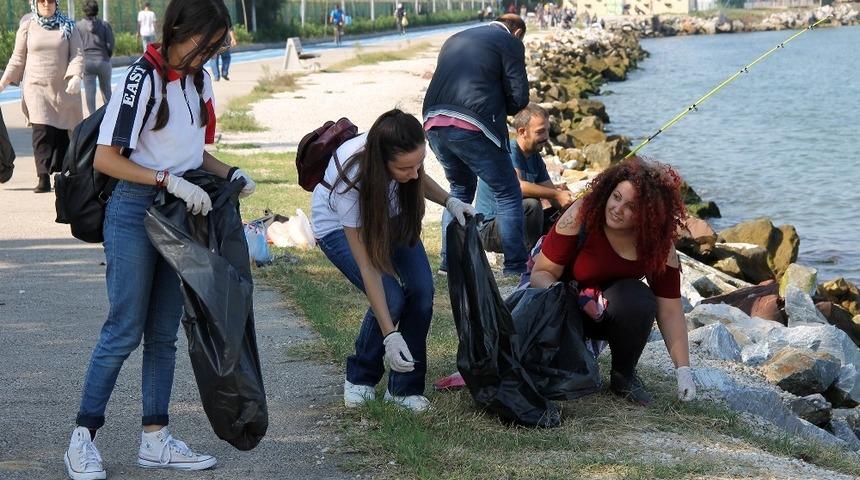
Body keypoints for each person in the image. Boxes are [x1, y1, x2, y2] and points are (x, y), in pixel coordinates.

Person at [62, 1, 256, 479]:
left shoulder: (198, 80)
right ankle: (82, 437)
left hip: (176, 217)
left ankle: (155, 438)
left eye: (217, 46)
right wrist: (169, 180)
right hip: (134, 210)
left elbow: (190, 151)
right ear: (178, 31)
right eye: (205, 43)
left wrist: (227, 171)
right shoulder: (142, 78)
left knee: (164, 334)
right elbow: (107, 158)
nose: (210, 53)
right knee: (124, 328)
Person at [311, 109, 474, 413]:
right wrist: (390, 336)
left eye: (419, 164)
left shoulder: (404, 162)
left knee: (422, 292)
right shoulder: (352, 180)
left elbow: (416, 174)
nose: (414, 175)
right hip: (338, 228)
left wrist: (450, 201)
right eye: (404, 169)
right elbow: (368, 267)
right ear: (381, 163)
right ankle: (360, 378)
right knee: (391, 298)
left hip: (391, 217)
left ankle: (402, 390)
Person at [529, 157, 697, 407]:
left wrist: (683, 371)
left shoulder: (657, 245)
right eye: (616, 197)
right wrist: (558, 300)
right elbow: (540, 274)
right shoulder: (581, 214)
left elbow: (671, 309)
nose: (618, 209)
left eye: (631, 207)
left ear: (648, 215)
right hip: (559, 301)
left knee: (640, 299)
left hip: (603, 310)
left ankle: (624, 377)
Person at [423, 14, 529, 276]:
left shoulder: (456, 38)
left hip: (433, 119)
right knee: (507, 192)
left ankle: (449, 263)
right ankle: (515, 265)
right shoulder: (510, 42)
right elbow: (519, 97)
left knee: (459, 189)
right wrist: (503, 104)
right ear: (517, 33)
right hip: (473, 122)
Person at [0, 0, 84, 193]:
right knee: (41, 131)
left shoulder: (69, 26)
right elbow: (18, 57)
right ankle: (43, 176)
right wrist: (3, 82)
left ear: (57, 3)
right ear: (35, 3)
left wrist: (76, 76)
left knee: (61, 134)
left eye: (51, 0)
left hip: (62, 90)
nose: (46, 4)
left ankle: (60, 175)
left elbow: (77, 55)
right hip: (36, 87)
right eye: (41, 1)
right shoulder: (28, 26)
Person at [475, 103, 574, 254]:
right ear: (522, 132)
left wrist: (571, 203)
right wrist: (556, 194)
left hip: (513, 223)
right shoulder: (509, 151)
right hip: (489, 231)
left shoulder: (535, 157)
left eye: (548, 130)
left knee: (562, 213)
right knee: (531, 205)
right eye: (540, 132)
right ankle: (531, 256)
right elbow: (518, 187)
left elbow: (552, 194)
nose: (546, 137)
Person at [77, 0, 114, 114]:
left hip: (87, 62)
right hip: (103, 60)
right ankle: (109, 115)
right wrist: (107, 55)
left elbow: (76, 45)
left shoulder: (78, 26)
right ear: (97, 10)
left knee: (89, 91)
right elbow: (110, 44)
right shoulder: (104, 25)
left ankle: (92, 117)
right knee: (106, 91)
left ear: (84, 11)